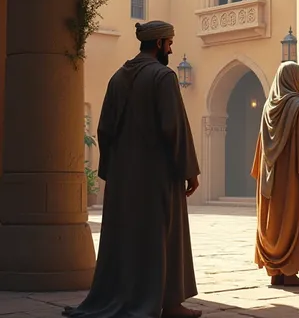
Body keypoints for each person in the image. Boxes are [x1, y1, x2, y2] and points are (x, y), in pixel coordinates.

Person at [63, 21, 202, 318]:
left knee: (125, 239)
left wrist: (113, 170)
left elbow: (104, 128)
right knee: (162, 236)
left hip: (123, 178)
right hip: (157, 176)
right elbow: (173, 127)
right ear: (161, 43)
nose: (172, 48)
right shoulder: (163, 76)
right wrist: (189, 169)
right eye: (170, 42)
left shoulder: (117, 78)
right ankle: (171, 304)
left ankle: (123, 295)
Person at [251, 61, 299, 287]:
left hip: (269, 176)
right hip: (291, 176)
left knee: (272, 222)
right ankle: (290, 273)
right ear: (290, 78)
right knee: (290, 219)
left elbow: (261, 146)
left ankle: (275, 272)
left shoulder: (267, 107)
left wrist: (262, 171)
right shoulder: (296, 106)